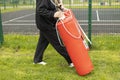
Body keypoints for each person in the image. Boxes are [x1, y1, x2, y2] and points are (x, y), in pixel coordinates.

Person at [33, 0, 74, 67]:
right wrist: (54, 14)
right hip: (46, 25)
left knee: (43, 42)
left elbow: (49, 6)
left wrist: (58, 6)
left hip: (44, 24)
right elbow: (41, 9)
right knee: (58, 42)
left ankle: (37, 60)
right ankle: (71, 61)